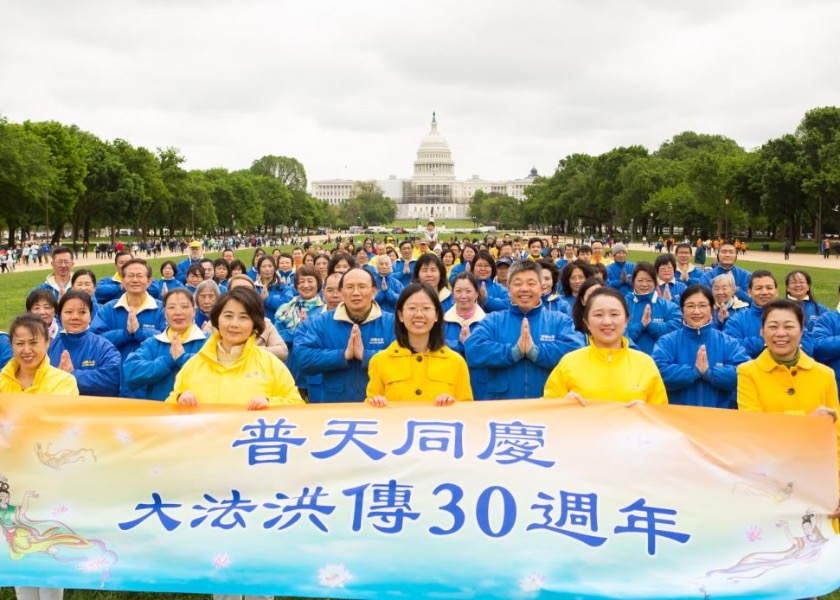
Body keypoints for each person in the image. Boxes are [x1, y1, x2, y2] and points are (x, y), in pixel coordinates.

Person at [737, 299, 840, 519]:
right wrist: (806, 423)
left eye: (789, 326)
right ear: (762, 332)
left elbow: (837, 437)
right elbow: (754, 429)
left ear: (802, 331)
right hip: (769, 482)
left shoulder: (824, 375)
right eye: (773, 327)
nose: (780, 333)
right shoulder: (747, 373)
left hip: (816, 482)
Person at [167, 287, 303, 408]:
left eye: (243, 317)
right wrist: (179, 398)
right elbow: (170, 404)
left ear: (254, 324)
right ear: (217, 320)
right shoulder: (193, 365)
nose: (234, 324)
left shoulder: (271, 365)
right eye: (228, 316)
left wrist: (270, 403)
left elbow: (296, 405)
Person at [465, 260, 582, 400]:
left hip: (547, 406)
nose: (524, 289)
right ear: (508, 288)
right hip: (503, 407)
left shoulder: (559, 321)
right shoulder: (494, 320)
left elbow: (576, 349)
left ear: (541, 287)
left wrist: (536, 352)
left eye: (531, 283)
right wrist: (513, 352)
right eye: (518, 283)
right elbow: (473, 350)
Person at [544, 287, 667, 405]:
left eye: (614, 314)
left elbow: (661, 415)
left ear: (626, 320)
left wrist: (648, 411)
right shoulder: (569, 363)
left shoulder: (645, 364)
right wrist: (562, 404)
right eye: (598, 315)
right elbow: (548, 411)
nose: (607, 322)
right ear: (587, 322)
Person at [296, 268, 395, 403]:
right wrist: (343, 355)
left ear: (374, 292)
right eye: (349, 287)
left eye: (362, 287)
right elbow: (303, 358)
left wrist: (365, 356)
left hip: (379, 403)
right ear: (341, 292)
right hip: (336, 405)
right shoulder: (322, 322)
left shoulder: (391, 322)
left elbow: (404, 359)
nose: (355, 293)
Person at [367, 283, 473, 406]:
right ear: (400, 315)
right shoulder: (379, 361)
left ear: (436, 315)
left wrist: (452, 405)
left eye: (426, 308)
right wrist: (377, 404)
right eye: (412, 308)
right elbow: (370, 411)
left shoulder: (456, 362)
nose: (419, 314)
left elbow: (467, 410)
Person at [652, 285, 749, 408]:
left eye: (702, 305)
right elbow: (657, 373)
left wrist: (710, 373)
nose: (696, 311)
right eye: (690, 306)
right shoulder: (667, 341)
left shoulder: (727, 342)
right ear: (682, 310)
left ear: (712, 309)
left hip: (720, 419)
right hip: (677, 419)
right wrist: (693, 372)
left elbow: (745, 374)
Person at [91, 258, 166, 396]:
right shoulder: (108, 309)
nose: (135, 280)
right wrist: (124, 334)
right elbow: (95, 339)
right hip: (115, 384)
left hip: (151, 385)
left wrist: (140, 333)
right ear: (123, 281)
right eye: (130, 276)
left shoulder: (161, 309)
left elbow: (168, 339)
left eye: (140, 276)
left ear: (149, 281)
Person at [123, 288, 208, 401]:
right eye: (172, 307)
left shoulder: (208, 341)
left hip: (200, 413)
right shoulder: (153, 343)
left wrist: (182, 358)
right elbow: (131, 373)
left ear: (194, 311)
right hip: (159, 414)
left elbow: (215, 372)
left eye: (184, 307)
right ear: (164, 312)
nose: (178, 312)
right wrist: (167, 361)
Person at [724, 270, 815, 359]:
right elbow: (729, 348)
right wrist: (761, 341)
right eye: (758, 288)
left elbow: (808, 346)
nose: (764, 292)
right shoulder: (737, 320)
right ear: (749, 292)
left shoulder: (791, 316)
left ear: (776, 291)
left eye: (769, 288)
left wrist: (781, 345)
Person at [48, 291, 121, 397]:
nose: (75, 317)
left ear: (90, 316)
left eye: (82, 312)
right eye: (68, 312)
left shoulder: (104, 347)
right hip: (58, 410)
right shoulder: (50, 347)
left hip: (93, 411)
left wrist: (72, 375)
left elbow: (112, 379)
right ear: (59, 316)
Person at [1, 313, 79, 396]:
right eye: (20, 343)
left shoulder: (63, 382)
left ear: (47, 342)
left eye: (33, 343)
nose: (27, 350)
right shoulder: (2, 382)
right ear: (11, 345)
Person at [443, 272, 489, 400]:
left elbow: (487, 352)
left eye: (468, 291)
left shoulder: (487, 322)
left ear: (476, 294)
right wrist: (462, 344)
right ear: (453, 293)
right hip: (448, 383)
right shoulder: (442, 321)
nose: (463, 296)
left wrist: (468, 344)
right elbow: (438, 346)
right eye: (458, 291)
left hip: (480, 386)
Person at [226, 276, 289, 361]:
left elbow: (282, 351)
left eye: (247, 289)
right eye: (238, 290)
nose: (243, 293)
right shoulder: (218, 321)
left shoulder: (265, 323)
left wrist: (250, 351)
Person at [625, 262, 681, 355]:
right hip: (628, 363)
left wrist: (652, 326)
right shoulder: (623, 304)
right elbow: (618, 333)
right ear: (633, 282)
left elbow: (676, 329)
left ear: (655, 283)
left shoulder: (667, 305)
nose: (644, 284)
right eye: (640, 280)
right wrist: (640, 325)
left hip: (658, 363)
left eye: (649, 280)